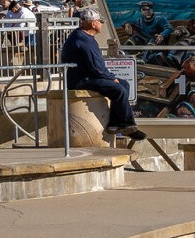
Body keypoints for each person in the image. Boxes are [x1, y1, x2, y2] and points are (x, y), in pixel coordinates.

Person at [61, 10, 145, 142]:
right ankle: (127, 125)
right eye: (100, 22)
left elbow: (96, 67)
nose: (101, 24)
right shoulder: (84, 40)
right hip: (81, 80)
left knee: (124, 84)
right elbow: (97, 67)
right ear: (93, 24)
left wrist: (111, 78)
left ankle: (114, 123)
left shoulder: (83, 36)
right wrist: (112, 78)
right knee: (118, 89)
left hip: (87, 76)